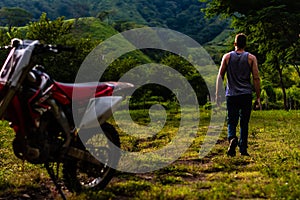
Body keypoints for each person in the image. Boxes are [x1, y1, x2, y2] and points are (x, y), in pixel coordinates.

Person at [215, 33, 261, 157]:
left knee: (231, 120)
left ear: (234, 44)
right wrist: (258, 97)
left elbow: (220, 76)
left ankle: (232, 138)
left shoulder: (227, 57)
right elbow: (256, 78)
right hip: (246, 94)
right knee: (244, 122)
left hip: (231, 95)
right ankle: (243, 148)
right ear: (245, 44)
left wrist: (217, 94)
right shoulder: (251, 58)